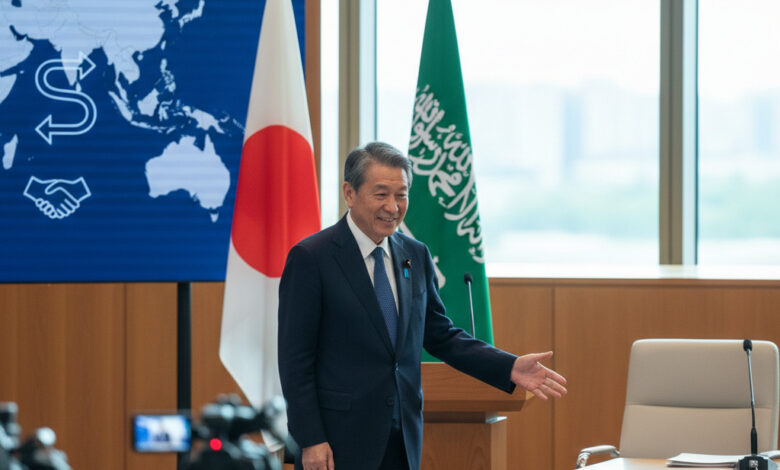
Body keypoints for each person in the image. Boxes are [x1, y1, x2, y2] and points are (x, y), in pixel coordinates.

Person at [278, 142, 567, 470]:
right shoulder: (312, 258)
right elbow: (294, 361)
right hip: (337, 441)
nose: (393, 207)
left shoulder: (415, 255)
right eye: (381, 194)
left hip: (403, 438)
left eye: (401, 195)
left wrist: (508, 366)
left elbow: (441, 335)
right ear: (349, 193)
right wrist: (310, 439)